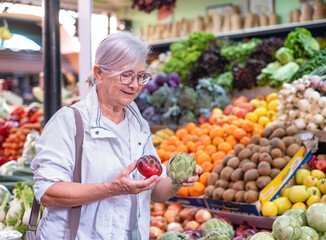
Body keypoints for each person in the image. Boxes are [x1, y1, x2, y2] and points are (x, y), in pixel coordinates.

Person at [30, 31, 201, 240]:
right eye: (126, 75)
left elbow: (156, 191)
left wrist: (178, 179)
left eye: (140, 76)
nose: (135, 85)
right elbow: (48, 192)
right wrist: (111, 189)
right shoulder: (70, 122)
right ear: (99, 73)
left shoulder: (139, 126)